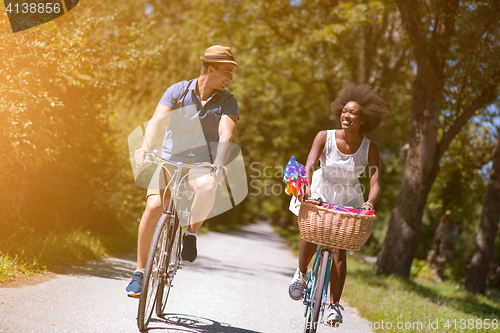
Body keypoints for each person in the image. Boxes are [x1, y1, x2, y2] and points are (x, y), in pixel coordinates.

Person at [126, 45, 240, 297]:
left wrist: (219, 161)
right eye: (226, 72)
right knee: (155, 207)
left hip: (200, 165)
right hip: (168, 160)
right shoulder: (177, 91)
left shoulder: (228, 101)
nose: (230, 78)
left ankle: (190, 234)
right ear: (210, 69)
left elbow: (225, 134)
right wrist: (145, 146)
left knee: (208, 185)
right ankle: (140, 272)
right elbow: (157, 120)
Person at [288, 83, 389, 326]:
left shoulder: (370, 148)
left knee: (339, 249)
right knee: (311, 234)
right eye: (344, 111)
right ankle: (301, 275)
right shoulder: (325, 136)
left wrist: (369, 203)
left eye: (353, 113)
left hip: (348, 197)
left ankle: (333, 305)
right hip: (320, 190)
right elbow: (310, 164)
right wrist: (308, 187)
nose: (347, 115)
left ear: (363, 119)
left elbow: (375, 183)